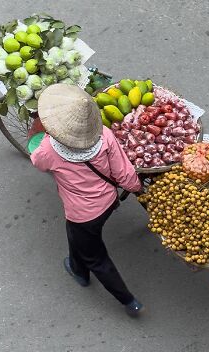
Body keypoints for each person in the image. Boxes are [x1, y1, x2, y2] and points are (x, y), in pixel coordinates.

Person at [30, 84, 144, 317]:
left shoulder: (48, 151)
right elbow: (125, 175)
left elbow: (38, 163)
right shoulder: (105, 135)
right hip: (109, 202)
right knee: (77, 237)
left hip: (82, 214)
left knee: (96, 256)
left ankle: (128, 300)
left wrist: (40, 135)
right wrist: (138, 190)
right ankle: (77, 269)